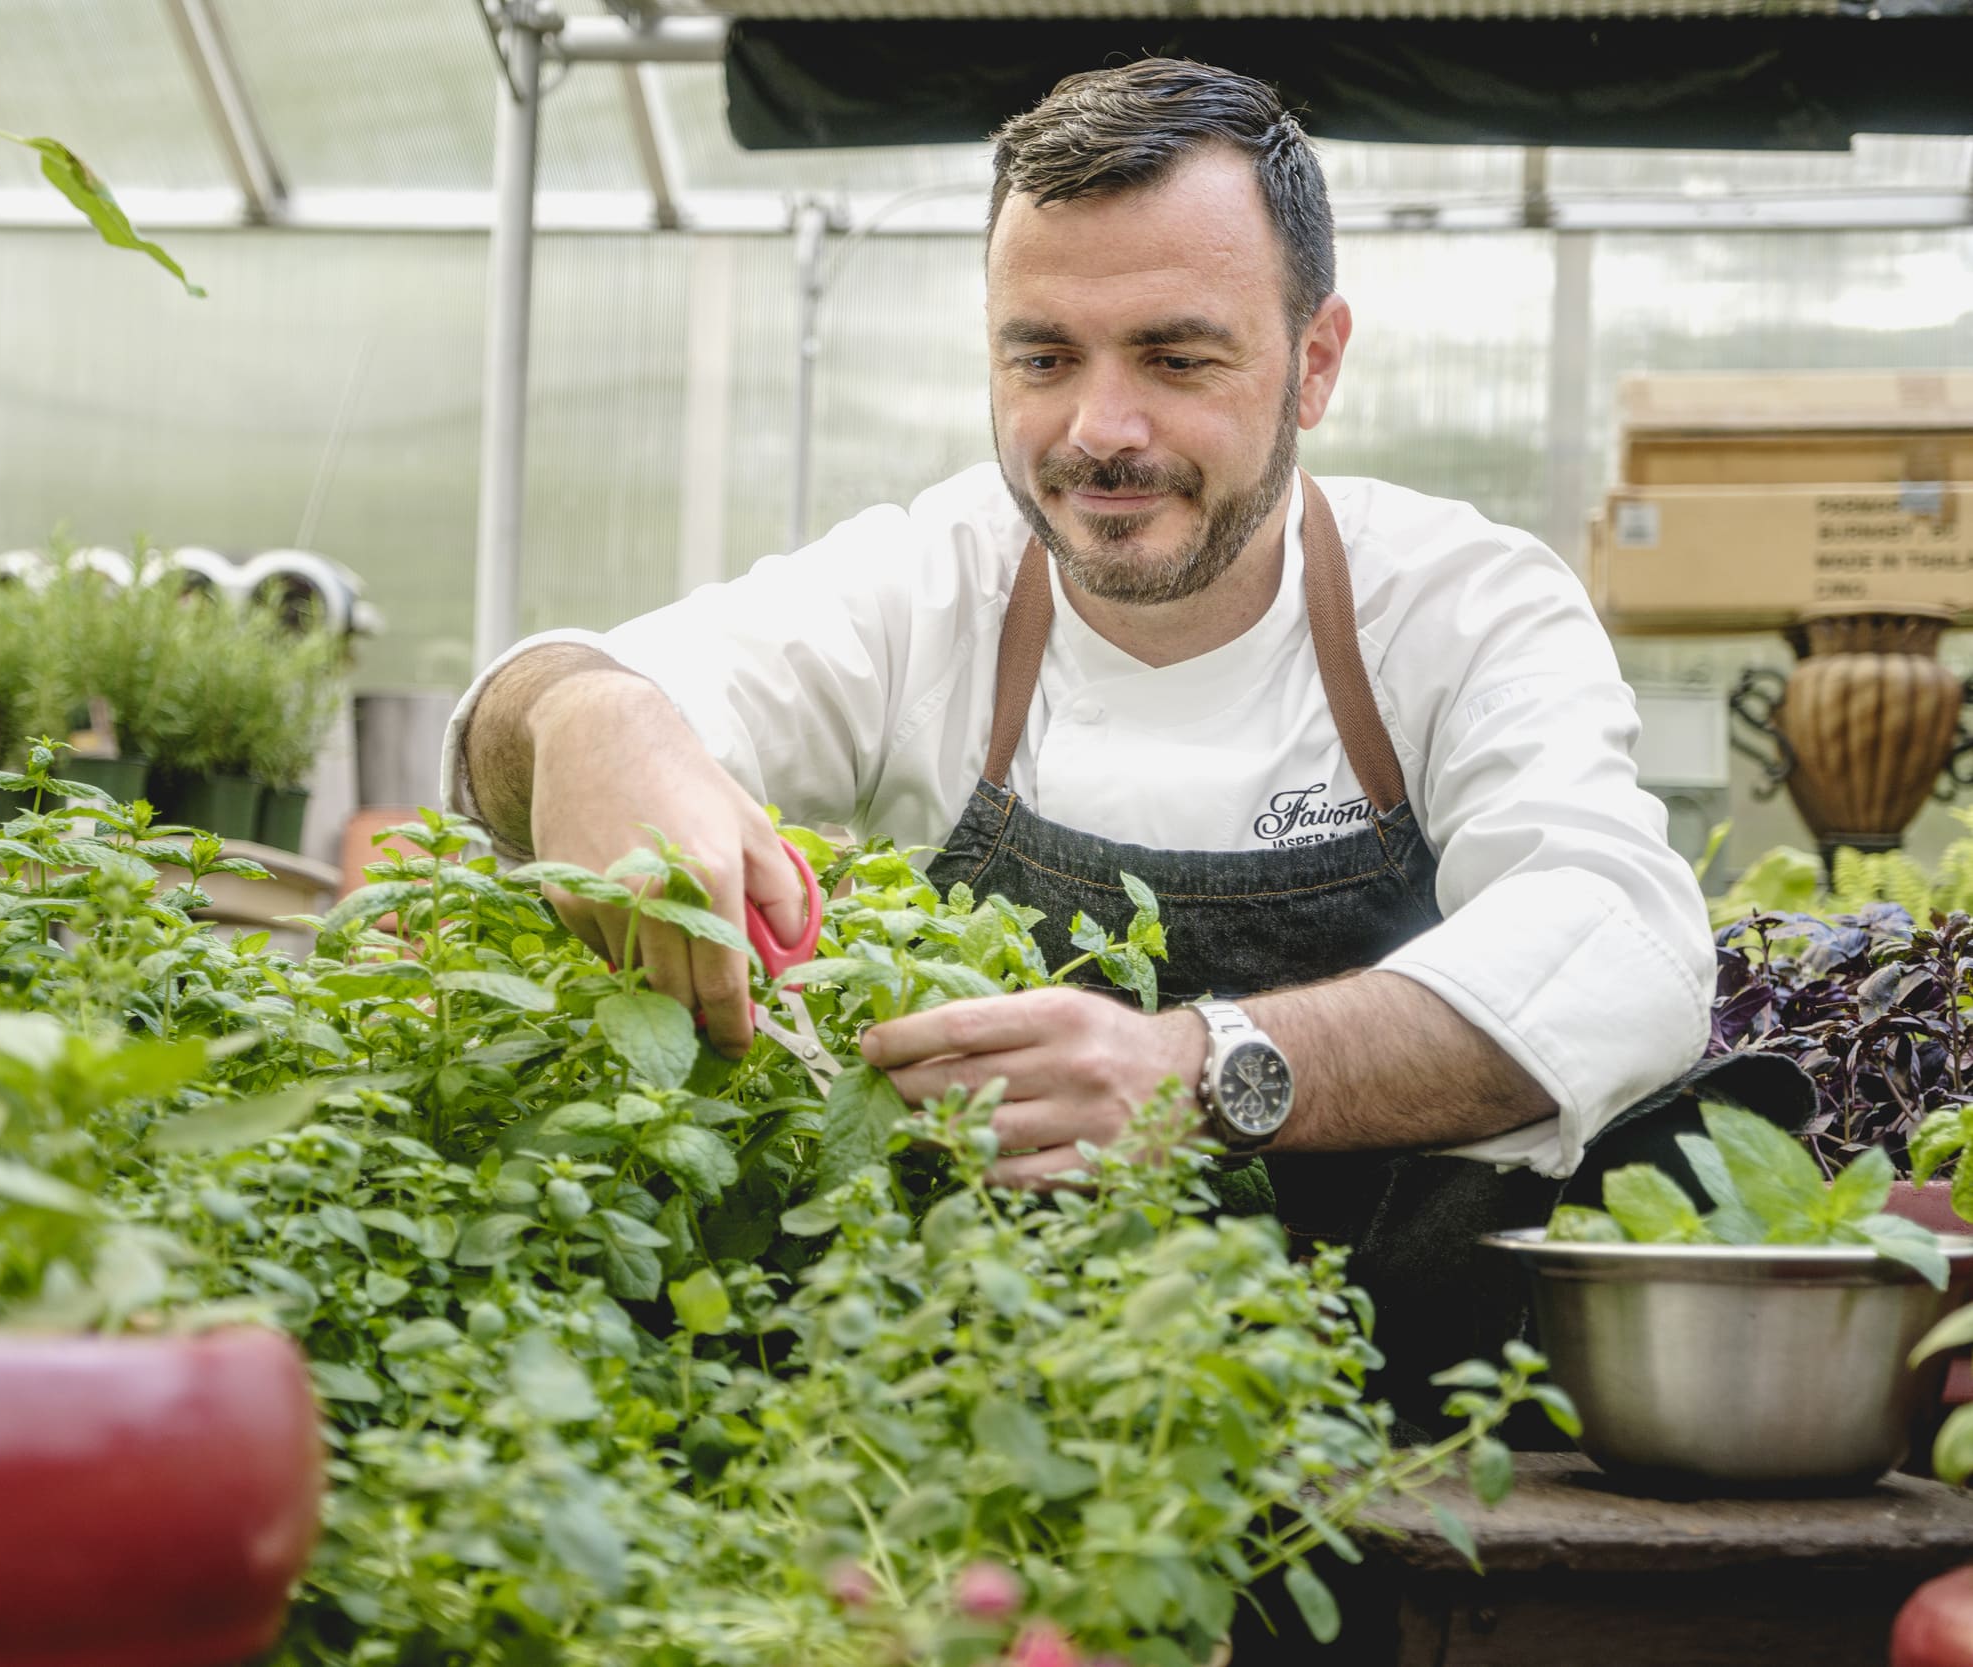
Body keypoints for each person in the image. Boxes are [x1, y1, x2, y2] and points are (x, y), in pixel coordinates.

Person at [445, 57, 1739, 1411]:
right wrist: (590, 717)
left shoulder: (1457, 605)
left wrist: (1203, 1067)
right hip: (984, 1422)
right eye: (1043, 358)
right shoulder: (926, 588)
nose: (1099, 430)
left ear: (1314, 363)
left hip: (1412, 1429)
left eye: (1177, 359)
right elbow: (545, 703)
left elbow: (1618, 940)